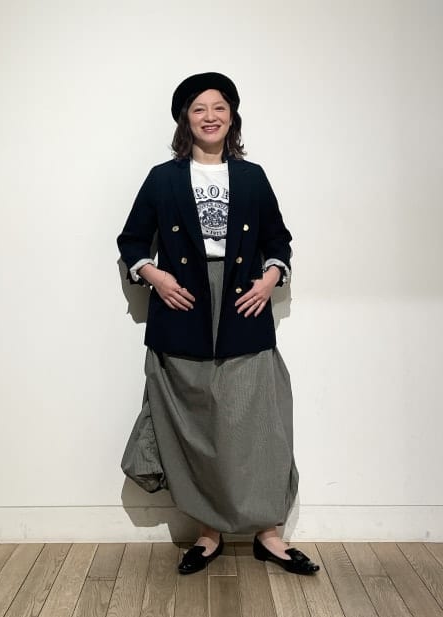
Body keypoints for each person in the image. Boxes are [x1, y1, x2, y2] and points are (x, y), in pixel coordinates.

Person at [117, 72, 319, 576]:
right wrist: (155, 277)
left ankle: (268, 535)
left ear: (232, 117)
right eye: (199, 109)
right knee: (197, 424)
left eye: (219, 107)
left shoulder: (252, 177)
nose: (210, 116)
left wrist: (270, 279)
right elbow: (132, 240)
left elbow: (278, 239)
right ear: (185, 120)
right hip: (183, 307)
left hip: (242, 304)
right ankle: (208, 534)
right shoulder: (163, 178)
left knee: (258, 422)